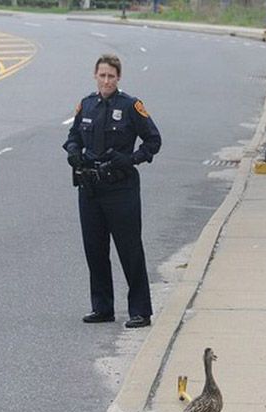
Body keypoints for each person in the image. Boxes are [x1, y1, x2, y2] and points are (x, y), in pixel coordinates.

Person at [63, 53, 161, 328]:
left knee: (129, 250)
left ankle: (140, 311)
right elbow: (73, 136)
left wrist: (131, 159)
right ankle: (102, 307)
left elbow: (153, 140)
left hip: (121, 188)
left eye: (111, 76)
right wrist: (73, 152)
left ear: (118, 78)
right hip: (90, 188)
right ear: (95, 75)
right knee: (94, 250)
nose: (106, 80)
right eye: (102, 75)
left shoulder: (130, 106)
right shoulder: (87, 105)